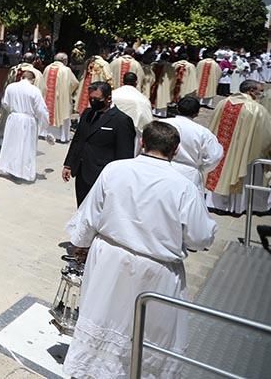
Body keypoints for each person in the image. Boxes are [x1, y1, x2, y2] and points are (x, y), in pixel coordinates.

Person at [62, 121, 217, 379]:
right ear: (175, 151)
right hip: (156, 271)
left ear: (142, 143)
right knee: (148, 329)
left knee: (103, 318)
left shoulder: (115, 170)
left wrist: (80, 245)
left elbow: (90, 214)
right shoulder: (184, 187)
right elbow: (200, 237)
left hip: (109, 261)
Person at [63, 82, 136, 205]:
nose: (93, 102)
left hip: (102, 175)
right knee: (81, 208)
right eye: (90, 98)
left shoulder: (121, 121)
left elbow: (124, 155)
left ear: (108, 99)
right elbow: (78, 140)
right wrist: (69, 164)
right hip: (82, 172)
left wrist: (119, 181)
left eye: (96, 99)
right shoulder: (87, 113)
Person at [205, 79, 271, 213]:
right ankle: (237, 207)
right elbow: (265, 136)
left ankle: (217, 204)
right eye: (260, 91)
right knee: (241, 172)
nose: (261, 94)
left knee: (220, 170)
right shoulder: (257, 109)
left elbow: (213, 124)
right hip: (243, 153)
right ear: (251, 91)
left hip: (221, 149)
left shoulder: (223, 103)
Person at [0, 71, 49, 182]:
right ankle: (22, 171)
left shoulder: (11, 87)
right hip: (28, 120)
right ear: (33, 80)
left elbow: (5, 103)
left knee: (11, 144)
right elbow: (41, 110)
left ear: (22, 77)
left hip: (14, 118)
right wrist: (44, 124)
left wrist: (13, 110)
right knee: (25, 145)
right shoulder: (34, 90)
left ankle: (8, 167)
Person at [163, 95, 223, 189]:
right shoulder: (203, 133)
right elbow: (214, 157)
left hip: (163, 169)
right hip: (189, 175)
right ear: (197, 113)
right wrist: (201, 169)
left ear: (177, 109)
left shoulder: (162, 124)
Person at [113, 71, 154, 154]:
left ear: (123, 81)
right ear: (136, 83)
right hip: (132, 132)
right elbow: (147, 121)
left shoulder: (113, 94)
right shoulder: (142, 99)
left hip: (112, 128)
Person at [43, 52, 79, 144]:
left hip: (48, 98)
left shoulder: (47, 68)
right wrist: (69, 92)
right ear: (64, 60)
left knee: (48, 112)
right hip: (61, 98)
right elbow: (75, 83)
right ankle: (62, 137)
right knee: (62, 113)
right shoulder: (66, 70)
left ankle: (46, 133)